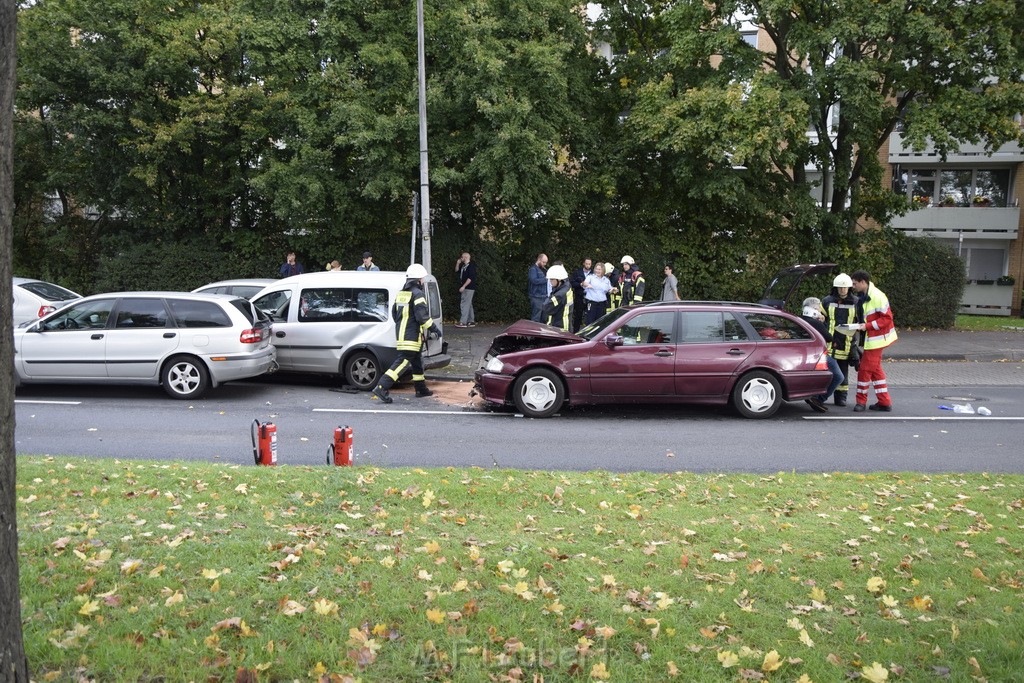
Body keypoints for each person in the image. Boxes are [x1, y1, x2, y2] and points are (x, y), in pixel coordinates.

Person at [371, 264, 441, 404]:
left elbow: (394, 313)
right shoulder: (418, 294)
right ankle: (381, 387)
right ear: (418, 279)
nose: (422, 281)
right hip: (411, 337)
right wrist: (435, 329)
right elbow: (422, 317)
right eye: (422, 278)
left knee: (416, 364)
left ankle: (421, 389)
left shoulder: (401, 294)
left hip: (403, 335)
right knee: (402, 362)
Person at [850, 270, 898, 412]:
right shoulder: (865, 295)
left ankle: (861, 402)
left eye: (855, 283)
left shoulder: (877, 296)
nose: (853, 286)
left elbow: (887, 318)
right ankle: (884, 402)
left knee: (864, 370)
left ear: (863, 282)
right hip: (873, 340)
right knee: (876, 371)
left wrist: (866, 326)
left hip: (876, 340)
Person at [822, 272, 862, 406]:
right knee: (828, 371)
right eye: (840, 287)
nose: (842, 290)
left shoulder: (856, 302)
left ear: (850, 288)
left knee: (843, 371)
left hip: (847, 343)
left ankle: (841, 398)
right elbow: (822, 320)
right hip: (830, 342)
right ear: (835, 288)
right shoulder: (827, 301)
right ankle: (822, 395)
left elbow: (861, 322)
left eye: (845, 288)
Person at [799, 297, 844, 413]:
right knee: (839, 377)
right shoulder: (816, 323)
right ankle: (819, 399)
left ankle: (814, 396)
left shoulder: (799, 320)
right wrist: (823, 322)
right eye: (819, 307)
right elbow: (829, 338)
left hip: (803, 355)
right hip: (818, 355)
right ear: (814, 309)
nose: (820, 310)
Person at [542, 264, 573, 330]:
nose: (550, 282)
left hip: (560, 327)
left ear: (559, 279)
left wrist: (550, 297)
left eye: (551, 279)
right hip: (564, 325)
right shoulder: (566, 286)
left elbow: (546, 306)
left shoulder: (560, 295)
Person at [570, 258, 593, 332]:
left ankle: (588, 332)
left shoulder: (593, 273)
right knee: (578, 316)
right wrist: (581, 284)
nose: (588, 265)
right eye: (587, 263)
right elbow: (572, 283)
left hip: (590, 297)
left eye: (589, 264)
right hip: (579, 297)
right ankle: (575, 332)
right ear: (583, 263)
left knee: (589, 316)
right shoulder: (577, 272)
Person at [455, 252, 477, 328]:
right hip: (467, 287)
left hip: (468, 287)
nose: (461, 258)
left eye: (462, 257)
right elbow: (457, 271)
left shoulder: (471, 266)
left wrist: (463, 286)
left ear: (465, 257)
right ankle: (471, 321)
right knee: (469, 304)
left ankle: (463, 322)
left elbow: (470, 278)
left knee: (464, 303)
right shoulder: (464, 266)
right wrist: (458, 263)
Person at [528, 253, 549, 322]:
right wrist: (546, 279)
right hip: (536, 296)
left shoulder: (544, 269)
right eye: (543, 262)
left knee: (544, 318)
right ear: (539, 260)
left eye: (545, 262)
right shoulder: (533, 269)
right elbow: (534, 280)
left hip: (545, 296)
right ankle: (534, 332)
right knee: (536, 317)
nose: (545, 264)